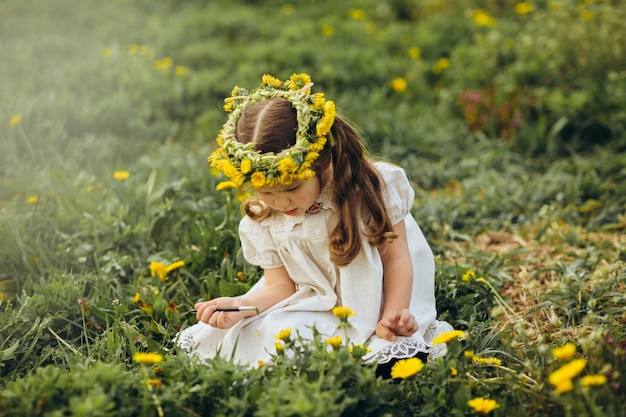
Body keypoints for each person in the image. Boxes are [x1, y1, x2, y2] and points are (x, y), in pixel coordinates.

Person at [177, 73, 452, 377]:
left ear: (321, 161)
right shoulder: (263, 216)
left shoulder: (370, 188)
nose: (281, 203)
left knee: (391, 358)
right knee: (266, 338)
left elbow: (397, 258)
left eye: (292, 188)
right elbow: (280, 287)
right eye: (266, 191)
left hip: (384, 299)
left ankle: (378, 353)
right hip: (318, 302)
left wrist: (394, 314)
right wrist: (242, 305)